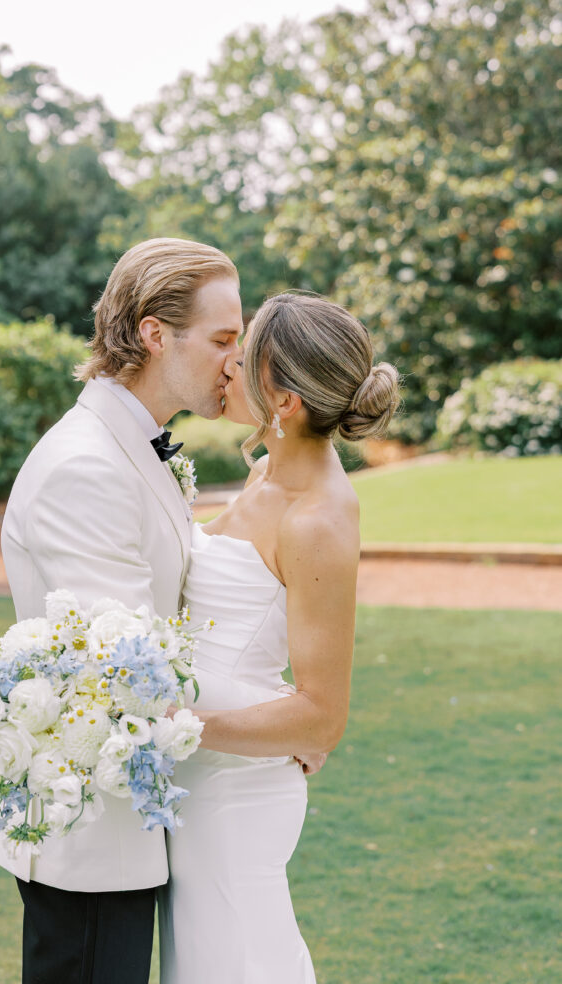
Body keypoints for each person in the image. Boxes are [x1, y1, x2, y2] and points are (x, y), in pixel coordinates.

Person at [0, 237, 244, 984]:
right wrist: (277, 728)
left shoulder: (128, 447)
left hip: (127, 820)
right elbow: (130, 675)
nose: (235, 360)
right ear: (154, 333)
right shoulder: (86, 466)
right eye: (222, 339)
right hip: (90, 836)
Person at [159, 292, 401, 984]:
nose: (227, 364)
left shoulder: (318, 520)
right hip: (200, 777)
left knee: (244, 963)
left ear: (286, 403)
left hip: (234, 793)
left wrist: (177, 726)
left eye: (244, 356)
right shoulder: (266, 472)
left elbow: (322, 717)